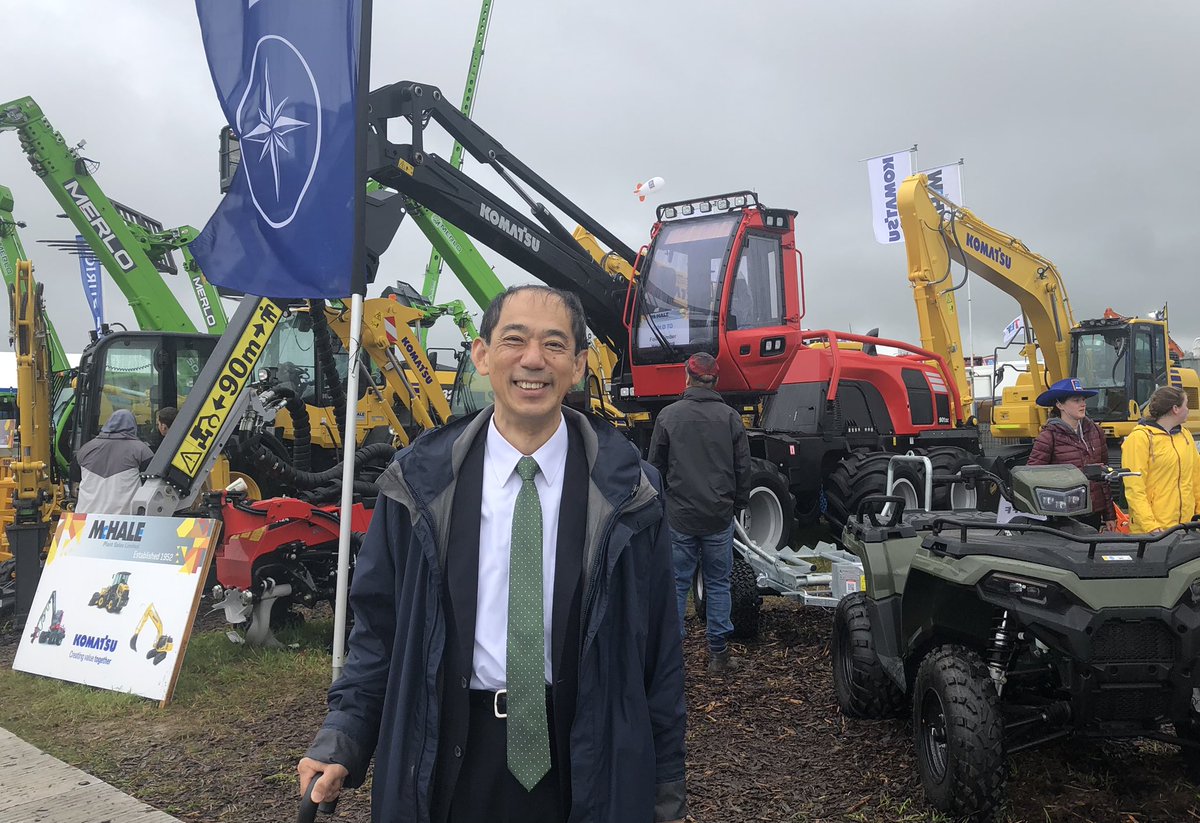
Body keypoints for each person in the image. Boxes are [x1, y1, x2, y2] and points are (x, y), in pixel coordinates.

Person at [298, 285, 687, 823]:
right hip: (451, 757)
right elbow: (378, 632)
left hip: (586, 758)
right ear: (482, 356)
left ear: (578, 365)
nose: (533, 360)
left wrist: (665, 783)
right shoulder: (417, 484)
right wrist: (343, 736)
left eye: (554, 345)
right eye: (514, 340)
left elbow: (660, 652)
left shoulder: (630, 493)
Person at [648, 352, 750, 674]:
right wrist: (737, 503)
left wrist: (664, 506)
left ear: (687, 378)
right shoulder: (731, 418)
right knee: (719, 583)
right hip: (718, 517)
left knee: (677, 584)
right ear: (716, 381)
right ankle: (718, 657)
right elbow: (742, 468)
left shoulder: (667, 416)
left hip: (679, 517)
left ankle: (671, 660)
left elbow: (655, 469)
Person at [1028, 377, 1116, 530]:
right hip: (1064, 516)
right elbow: (1033, 477)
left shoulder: (1096, 431)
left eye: (1083, 399)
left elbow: (1104, 476)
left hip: (1093, 512)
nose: (1083, 404)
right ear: (1059, 404)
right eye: (1076, 400)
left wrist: (1110, 515)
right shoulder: (1048, 437)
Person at [1122, 385, 1200, 534]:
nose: (1189, 409)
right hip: (1153, 533)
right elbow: (1135, 488)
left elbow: (1196, 479)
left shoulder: (1185, 436)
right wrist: (1151, 527)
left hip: (1186, 528)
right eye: (1186, 405)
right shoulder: (1140, 439)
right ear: (1175, 409)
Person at [74, 409, 154, 514]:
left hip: (85, 518)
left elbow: (75, 482)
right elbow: (151, 482)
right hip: (122, 521)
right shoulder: (141, 450)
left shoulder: (85, 449)